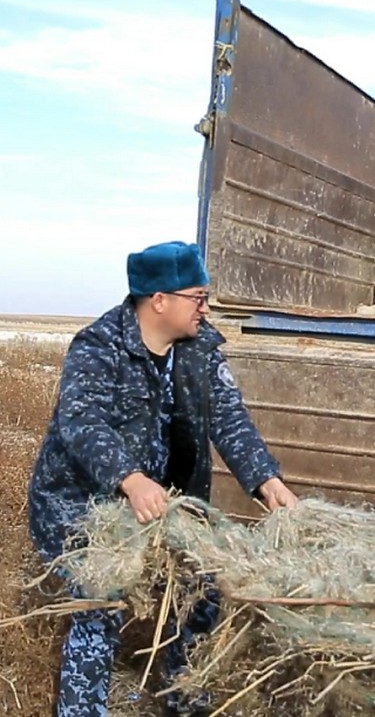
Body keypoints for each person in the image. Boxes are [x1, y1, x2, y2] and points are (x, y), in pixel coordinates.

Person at [28, 241, 299, 717]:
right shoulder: (99, 346)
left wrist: (266, 481)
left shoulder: (200, 351)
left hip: (162, 505)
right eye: (198, 296)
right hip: (82, 507)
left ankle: (185, 694)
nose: (206, 307)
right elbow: (81, 422)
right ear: (160, 300)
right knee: (101, 600)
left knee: (206, 585)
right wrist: (128, 479)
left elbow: (230, 420)